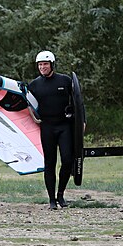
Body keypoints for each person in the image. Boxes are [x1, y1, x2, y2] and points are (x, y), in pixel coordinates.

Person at [28, 50, 76, 210]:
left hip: (64, 126)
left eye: (45, 64)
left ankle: (60, 194)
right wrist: (34, 118)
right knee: (50, 163)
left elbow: (78, 101)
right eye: (40, 64)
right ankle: (51, 200)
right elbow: (28, 105)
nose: (42, 67)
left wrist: (82, 121)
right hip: (47, 127)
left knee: (68, 160)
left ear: (52, 65)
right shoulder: (34, 85)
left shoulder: (65, 80)